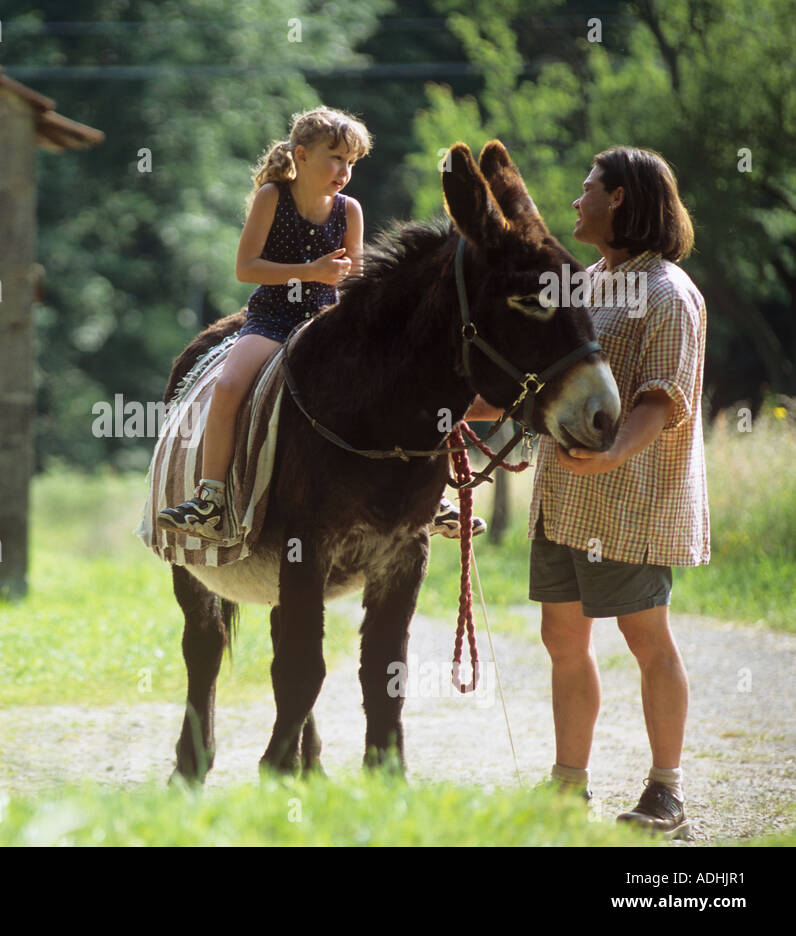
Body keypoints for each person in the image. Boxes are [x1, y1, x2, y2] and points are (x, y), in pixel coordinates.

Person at [468, 146, 708, 837]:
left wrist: (609, 460)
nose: (575, 202)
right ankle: (568, 784)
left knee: (646, 639)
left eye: (588, 189)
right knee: (561, 637)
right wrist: (459, 409)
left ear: (621, 200)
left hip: (629, 502)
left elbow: (663, 401)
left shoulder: (668, 293)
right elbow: (536, 381)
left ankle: (668, 791)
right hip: (563, 501)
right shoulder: (581, 285)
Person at [157, 107, 487, 541]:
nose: (344, 171)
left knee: (403, 381)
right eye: (335, 158)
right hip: (273, 319)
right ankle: (211, 498)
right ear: (301, 155)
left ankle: (431, 495)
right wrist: (311, 271)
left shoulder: (350, 210)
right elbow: (246, 268)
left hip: (329, 322)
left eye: (351, 162)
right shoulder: (272, 198)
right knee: (229, 387)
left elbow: (356, 280)